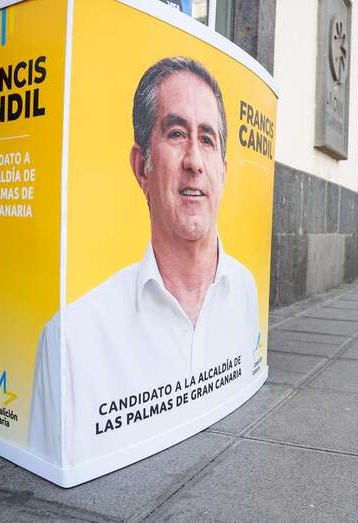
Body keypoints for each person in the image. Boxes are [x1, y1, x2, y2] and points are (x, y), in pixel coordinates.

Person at [29, 57, 261, 466]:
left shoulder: (245, 290)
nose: (194, 161)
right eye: (176, 134)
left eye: (207, 139)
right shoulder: (71, 340)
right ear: (141, 167)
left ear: (223, 172)